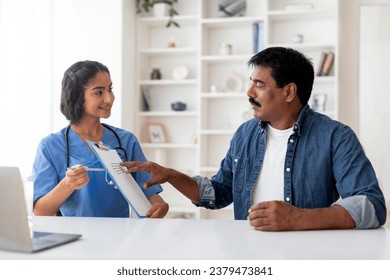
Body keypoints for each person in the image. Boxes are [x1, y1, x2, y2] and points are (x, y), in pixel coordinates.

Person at [121, 47, 387, 230]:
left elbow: (372, 206)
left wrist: (296, 219)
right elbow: (219, 193)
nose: (249, 91)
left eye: (260, 84)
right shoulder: (245, 133)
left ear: (289, 92)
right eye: (251, 82)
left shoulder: (336, 137)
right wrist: (170, 175)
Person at [33, 60, 168, 218]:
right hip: (74, 239)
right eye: (99, 92)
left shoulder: (126, 141)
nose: (109, 99)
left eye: (110, 89)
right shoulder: (50, 146)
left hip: (120, 237)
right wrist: (67, 184)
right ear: (76, 96)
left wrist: (159, 206)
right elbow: (40, 211)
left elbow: (149, 193)